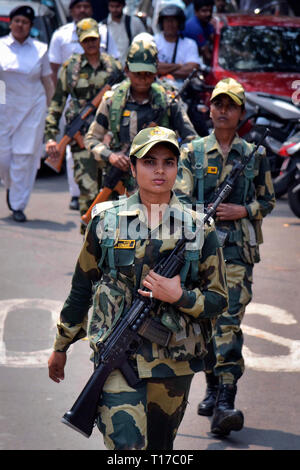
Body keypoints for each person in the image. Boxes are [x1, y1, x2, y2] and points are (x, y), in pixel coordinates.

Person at [48, 125, 228, 450]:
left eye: (168, 162)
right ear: (132, 167)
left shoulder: (199, 228)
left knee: (160, 451)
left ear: (178, 168)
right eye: (149, 161)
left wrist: (180, 296)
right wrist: (61, 345)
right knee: (127, 447)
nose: (159, 170)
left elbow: (218, 300)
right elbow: (82, 287)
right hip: (118, 359)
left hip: (173, 363)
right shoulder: (105, 221)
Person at [174, 77, 276, 436]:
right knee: (204, 322)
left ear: (241, 113)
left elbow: (268, 200)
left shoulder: (255, 156)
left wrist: (243, 210)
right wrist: (204, 214)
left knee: (228, 321)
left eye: (230, 105)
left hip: (236, 253)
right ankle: (212, 386)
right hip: (200, 252)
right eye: (218, 104)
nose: (222, 110)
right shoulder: (192, 152)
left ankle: (225, 401)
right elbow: (181, 200)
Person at [84, 37, 198, 198]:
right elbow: (91, 139)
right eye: (137, 73)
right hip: (120, 183)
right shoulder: (112, 100)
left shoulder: (168, 101)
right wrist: (111, 156)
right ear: (126, 70)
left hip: (159, 187)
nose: (143, 79)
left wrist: (169, 161)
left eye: (148, 73)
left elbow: (192, 140)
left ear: (156, 71)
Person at [44, 18, 123, 233]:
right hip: (80, 140)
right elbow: (57, 102)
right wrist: (51, 136)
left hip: (109, 140)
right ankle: (88, 249)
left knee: (112, 195)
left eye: (94, 39)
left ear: (100, 39)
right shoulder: (70, 68)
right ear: (79, 42)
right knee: (89, 194)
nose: (90, 43)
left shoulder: (113, 66)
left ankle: (110, 252)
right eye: (86, 40)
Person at [0, 5, 53, 223]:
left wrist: (51, 111)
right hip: (4, 107)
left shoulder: (40, 49)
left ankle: (18, 204)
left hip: (33, 108)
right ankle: (12, 188)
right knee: (3, 157)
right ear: (10, 23)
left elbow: (47, 82)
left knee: (24, 158)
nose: (20, 25)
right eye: (17, 21)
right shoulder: (0, 46)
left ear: (30, 27)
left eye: (25, 22)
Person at [153, 4, 204, 83]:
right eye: (167, 20)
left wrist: (163, 70)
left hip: (182, 90)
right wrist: (179, 66)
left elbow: (192, 70)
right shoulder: (153, 41)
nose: (170, 24)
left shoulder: (190, 44)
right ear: (161, 23)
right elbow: (152, 67)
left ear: (179, 23)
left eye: (173, 20)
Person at [100, 0, 146, 66]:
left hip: (131, 68)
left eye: (117, 6)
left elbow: (145, 45)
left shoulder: (135, 23)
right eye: (112, 6)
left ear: (123, 5)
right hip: (110, 69)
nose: (114, 10)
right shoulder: (102, 26)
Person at [183, 0, 215, 64]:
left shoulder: (206, 23)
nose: (208, 14)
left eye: (210, 10)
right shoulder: (195, 27)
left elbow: (214, 38)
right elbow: (207, 55)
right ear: (196, 12)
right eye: (204, 11)